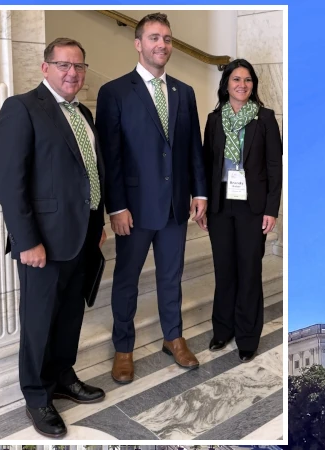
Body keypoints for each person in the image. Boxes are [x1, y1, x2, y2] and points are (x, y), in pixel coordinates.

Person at [0, 37, 107, 438]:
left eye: (78, 67)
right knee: (39, 322)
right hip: (42, 241)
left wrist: (99, 222)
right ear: (45, 68)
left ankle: (62, 376)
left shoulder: (84, 115)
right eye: (63, 65)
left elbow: (88, 173)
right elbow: (9, 182)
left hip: (83, 235)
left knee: (70, 316)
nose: (72, 73)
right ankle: (37, 396)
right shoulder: (22, 108)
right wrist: (27, 240)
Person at [96, 13, 207, 383]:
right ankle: (123, 348)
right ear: (138, 43)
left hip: (176, 205)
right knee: (126, 279)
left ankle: (172, 337)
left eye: (168, 39)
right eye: (155, 38)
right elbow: (109, 156)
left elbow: (194, 148)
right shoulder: (114, 92)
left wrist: (200, 192)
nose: (163, 45)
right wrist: (117, 205)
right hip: (134, 209)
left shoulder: (183, 92)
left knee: (171, 277)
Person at [198, 59, 283, 362]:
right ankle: (222, 330)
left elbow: (274, 166)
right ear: (226, 84)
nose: (242, 85)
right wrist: (204, 202)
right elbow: (207, 164)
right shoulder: (214, 118)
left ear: (253, 86)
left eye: (248, 80)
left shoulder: (265, 119)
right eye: (236, 79)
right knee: (224, 269)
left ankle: (247, 336)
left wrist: (272, 209)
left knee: (249, 270)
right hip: (221, 205)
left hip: (252, 207)